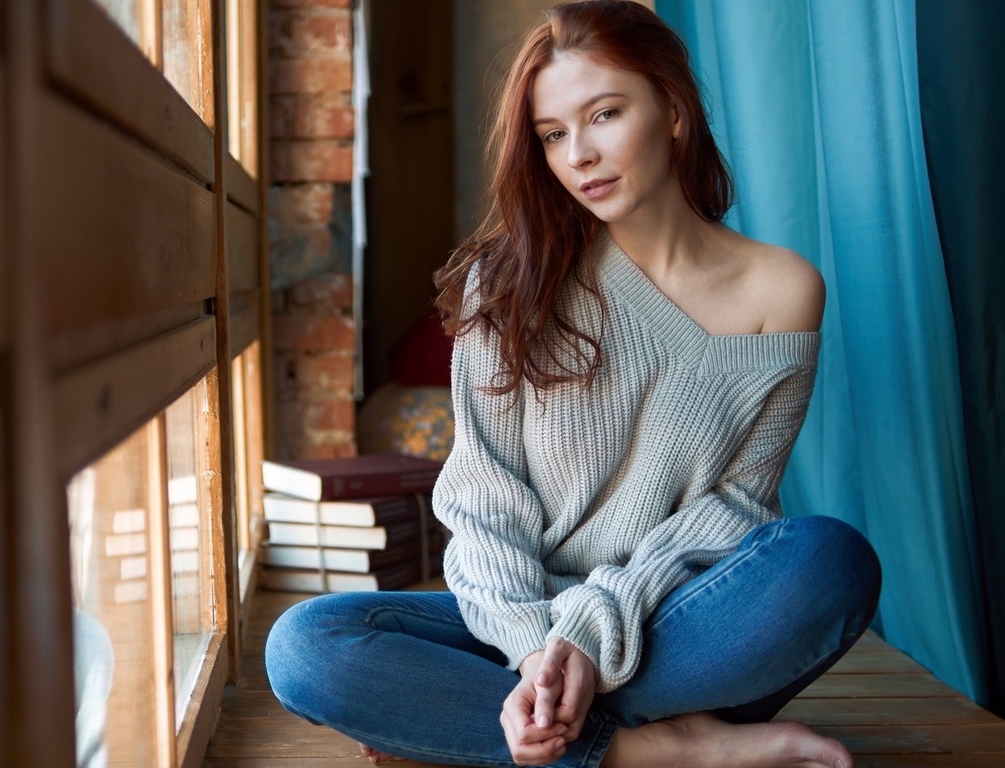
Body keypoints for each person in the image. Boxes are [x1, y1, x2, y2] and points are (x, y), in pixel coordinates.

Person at [264, 1, 882, 767]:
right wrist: (537, 652)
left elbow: (731, 512)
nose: (579, 154)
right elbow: (483, 501)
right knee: (306, 645)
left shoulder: (783, 290)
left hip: (669, 624)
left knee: (830, 562)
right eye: (554, 135)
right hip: (513, 625)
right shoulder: (511, 280)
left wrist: (588, 640)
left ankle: (481, 727)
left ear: (675, 110)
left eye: (605, 114)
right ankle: (655, 752)